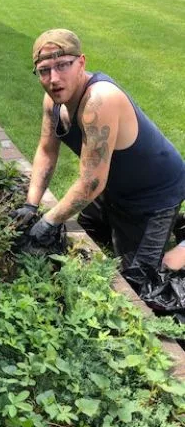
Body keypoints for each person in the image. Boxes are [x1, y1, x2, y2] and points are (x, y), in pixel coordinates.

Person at [14, 28, 185, 273]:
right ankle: (168, 225)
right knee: (89, 237)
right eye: (44, 70)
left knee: (140, 279)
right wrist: (31, 206)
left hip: (154, 193)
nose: (53, 78)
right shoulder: (53, 99)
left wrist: (47, 220)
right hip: (115, 187)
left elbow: (91, 182)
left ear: (81, 63)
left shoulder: (99, 100)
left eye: (63, 65)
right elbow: (46, 151)